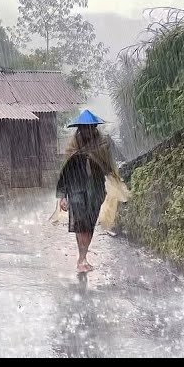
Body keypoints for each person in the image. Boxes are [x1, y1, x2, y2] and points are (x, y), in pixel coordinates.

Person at [56, 110, 122, 273]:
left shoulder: (103, 144)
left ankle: (84, 256)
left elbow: (113, 163)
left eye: (89, 127)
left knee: (90, 223)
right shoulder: (72, 148)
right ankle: (82, 258)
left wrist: (116, 179)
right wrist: (62, 196)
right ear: (79, 129)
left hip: (95, 189)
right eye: (83, 128)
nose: (86, 131)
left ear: (94, 128)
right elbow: (65, 171)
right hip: (76, 189)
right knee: (80, 224)